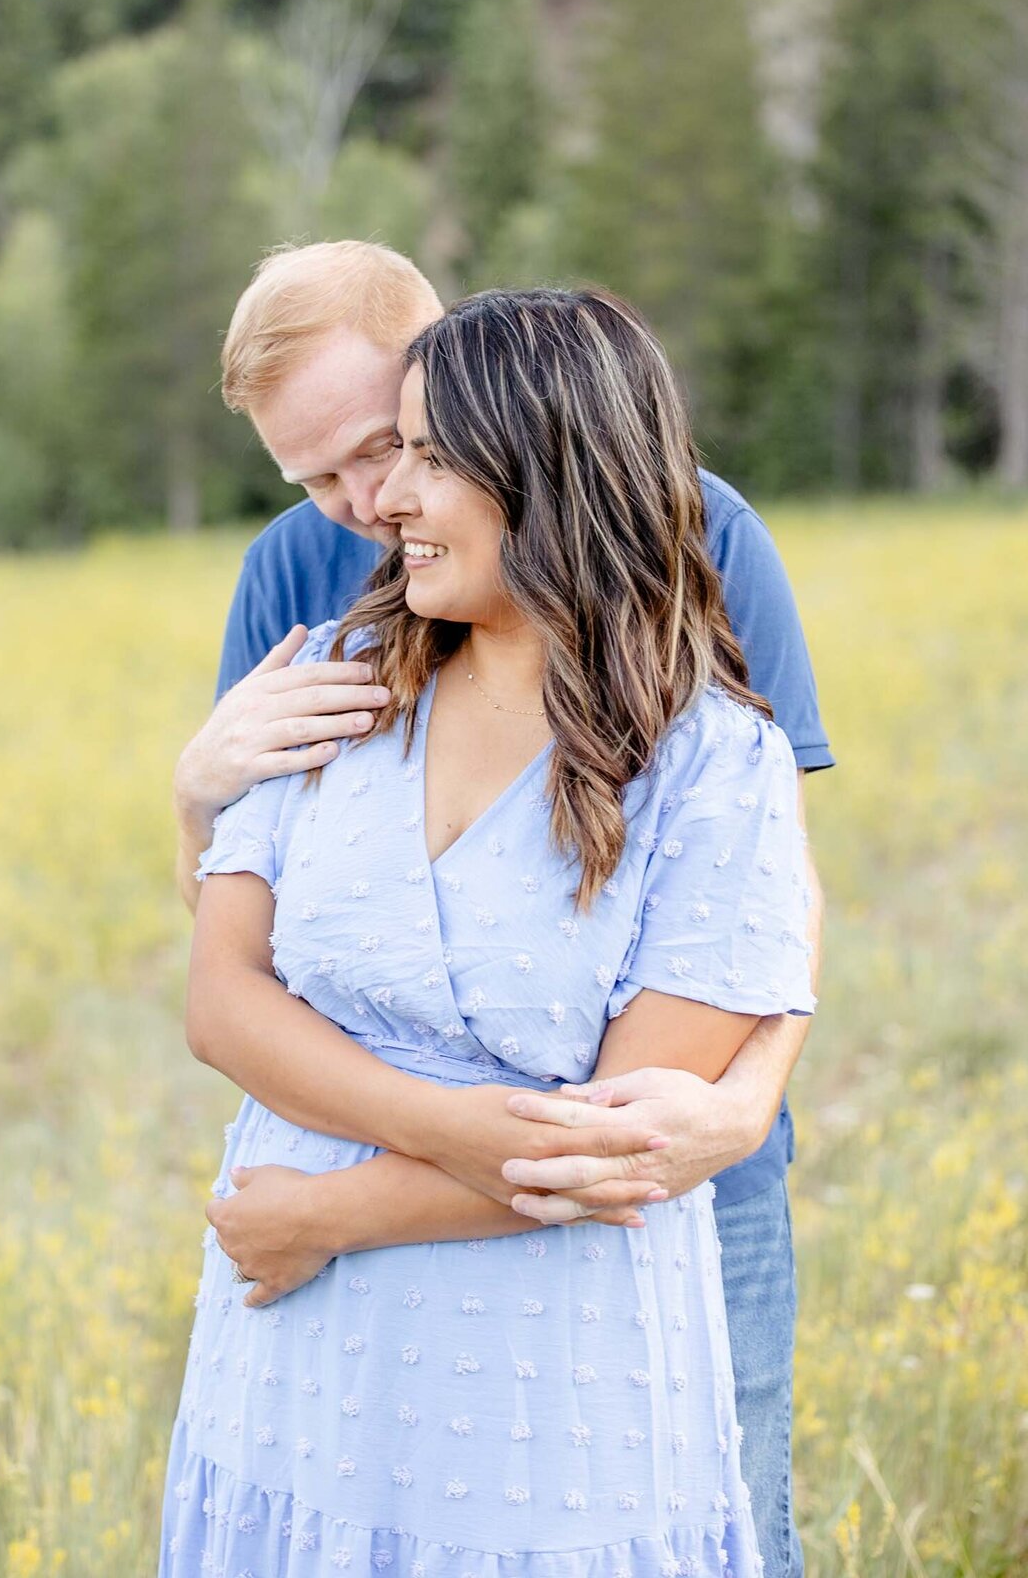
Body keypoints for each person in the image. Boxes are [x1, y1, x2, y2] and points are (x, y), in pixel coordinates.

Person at [173, 243, 831, 1576]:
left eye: (393, 447)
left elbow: (767, 889)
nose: (370, 501)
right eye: (321, 475)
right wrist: (194, 794)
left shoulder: (699, 553)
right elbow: (236, 946)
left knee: (734, 1483)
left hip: (641, 1191)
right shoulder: (323, 606)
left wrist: (756, 1090)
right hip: (329, 1247)